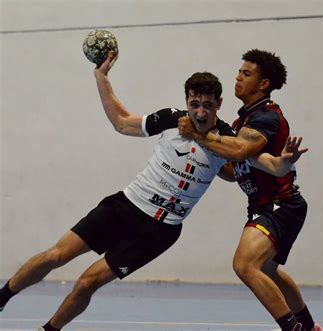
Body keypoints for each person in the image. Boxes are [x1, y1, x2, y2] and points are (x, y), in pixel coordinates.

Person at [0, 52, 306, 331]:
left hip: (159, 230)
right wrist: (102, 78)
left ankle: (50, 329)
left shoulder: (227, 139)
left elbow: (267, 164)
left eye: (208, 105)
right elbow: (121, 122)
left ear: (219, 105)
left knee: (85, 283)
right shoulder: (172, 119)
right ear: (187, 101)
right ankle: (1, 298)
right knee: (56, 255)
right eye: (194, 104)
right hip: (124, 207)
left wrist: (285, 162)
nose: (200, 112)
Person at [178, 49, 323, 331]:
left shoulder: (266, 117)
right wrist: (207, 155)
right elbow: (234, 171)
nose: (238, 77)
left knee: (245, 265)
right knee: (268, 271)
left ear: (263, 84)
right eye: (238, 71)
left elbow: (243, 149)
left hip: (281, 204)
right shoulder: (239, 122)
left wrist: (198, 135)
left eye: (246, 74)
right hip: (262, 206)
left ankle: (292, 328)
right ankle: (308, 326)